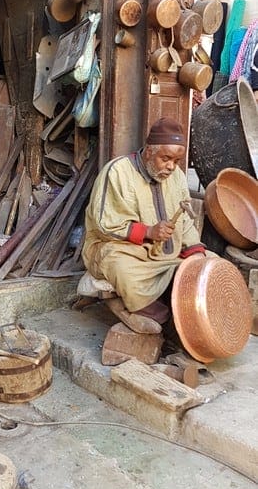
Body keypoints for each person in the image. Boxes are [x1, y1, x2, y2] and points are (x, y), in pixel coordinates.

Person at [82, 117, 206, 335]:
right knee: (121, 268)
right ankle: (156, 313)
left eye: (176, 161)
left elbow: (185, 221)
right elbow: (105, 223)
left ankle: (179, 311)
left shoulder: (176, 176)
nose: (171, 167)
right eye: (165, 158)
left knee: (210, 266)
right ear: (149, 151)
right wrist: (148, 232)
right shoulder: (117, 172)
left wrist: (196, 253)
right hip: (121, 250)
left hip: (167, 255)